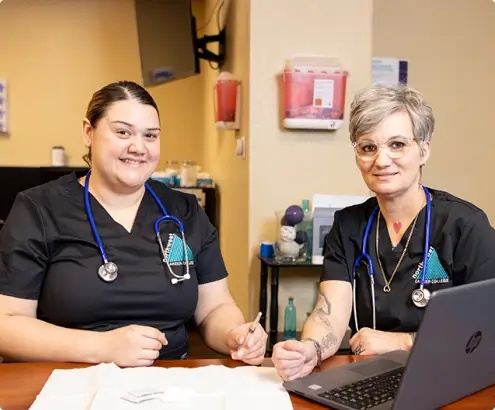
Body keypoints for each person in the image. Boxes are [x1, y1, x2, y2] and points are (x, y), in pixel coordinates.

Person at [0, 80, 267, 367]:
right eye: (122, 132)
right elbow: (7, 324)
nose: (138, 147)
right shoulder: (39, 209)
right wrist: (101, 347)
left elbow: (215, 307)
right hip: (68, 381)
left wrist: (234, 334)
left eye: (150, 136)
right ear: (88, 132)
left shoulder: (184, 211)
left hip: (169, 382)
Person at [271, 83, 495, 381]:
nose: (381, 160)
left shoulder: (465, 225)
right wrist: (310, 349)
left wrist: (402, 341)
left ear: (424, 150)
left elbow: (486, 325)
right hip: (371, 376)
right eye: (368, 147)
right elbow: (330, 313)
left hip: (450, 377)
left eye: (397, 144)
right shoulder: (348, 226)